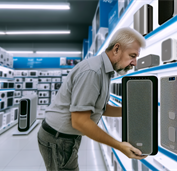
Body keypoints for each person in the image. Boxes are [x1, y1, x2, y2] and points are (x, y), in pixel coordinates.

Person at [37, 27, 147, 171]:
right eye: (132, 55)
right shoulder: (93, 71)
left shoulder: (105, 71)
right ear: (116, 49)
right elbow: (80, 121)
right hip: (57, 139)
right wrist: (120, 146)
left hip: (65, 137)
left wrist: (131, 111)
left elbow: (101, 107)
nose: (134, 62)